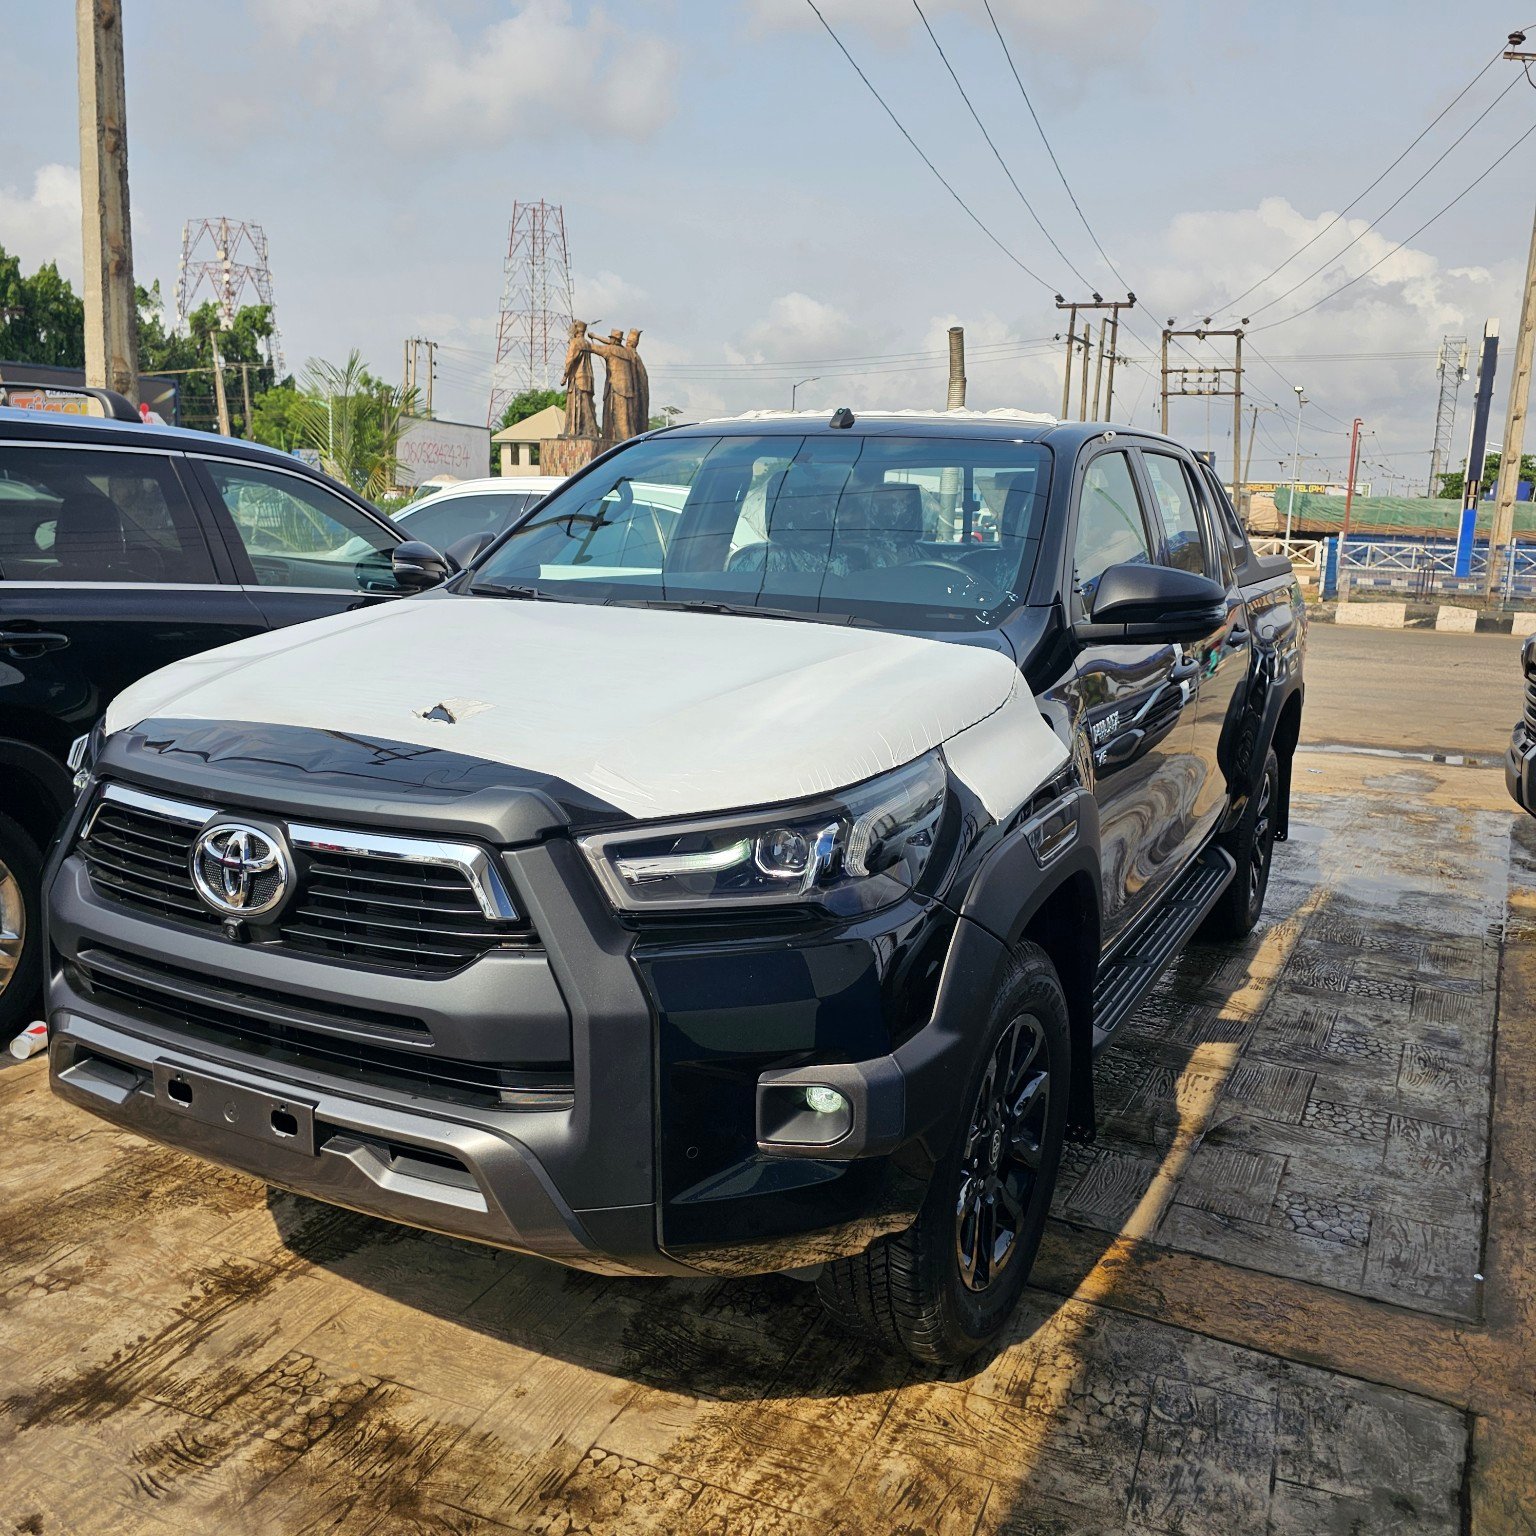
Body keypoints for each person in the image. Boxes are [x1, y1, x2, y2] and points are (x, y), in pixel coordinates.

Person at [560, 320, 599, 439]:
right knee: (587, 406)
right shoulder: (586, 343)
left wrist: (565, 376)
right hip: (588, 378)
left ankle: (576, 431)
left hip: (577, 378)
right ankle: (590, 431)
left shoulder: (575, 343)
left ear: (576, 330)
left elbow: (570, 360)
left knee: (577, 405)